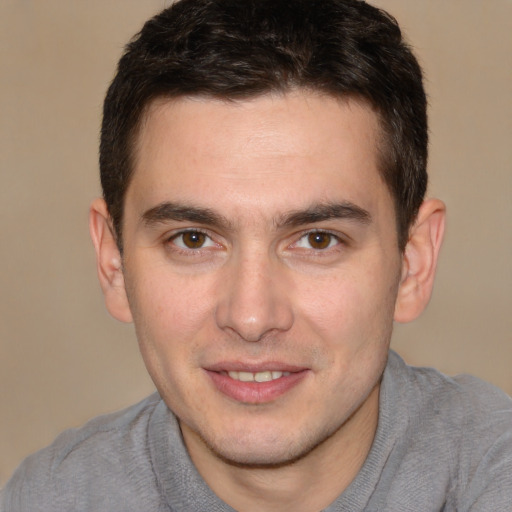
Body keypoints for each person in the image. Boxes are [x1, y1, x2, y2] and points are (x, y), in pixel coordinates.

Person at [2, 0, 511, 510]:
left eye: (318, 240)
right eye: (193, 239)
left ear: (412, 264)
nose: (250, 317)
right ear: (114, 263)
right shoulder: (49, 498)